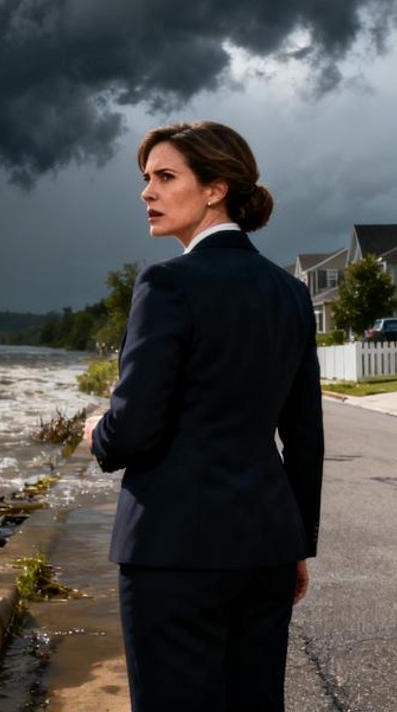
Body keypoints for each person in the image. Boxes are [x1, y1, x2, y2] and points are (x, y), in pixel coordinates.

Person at [82, 121, 324, 711]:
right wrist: (295, 543)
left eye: (166, 177)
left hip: (172, 551)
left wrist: (97, 434)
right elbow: (304, 437)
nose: (147, 192)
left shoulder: (166, 283)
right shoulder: (290, 293)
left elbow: (134, 428)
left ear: (216, 189)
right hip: (265, 547)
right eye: (147, 178)